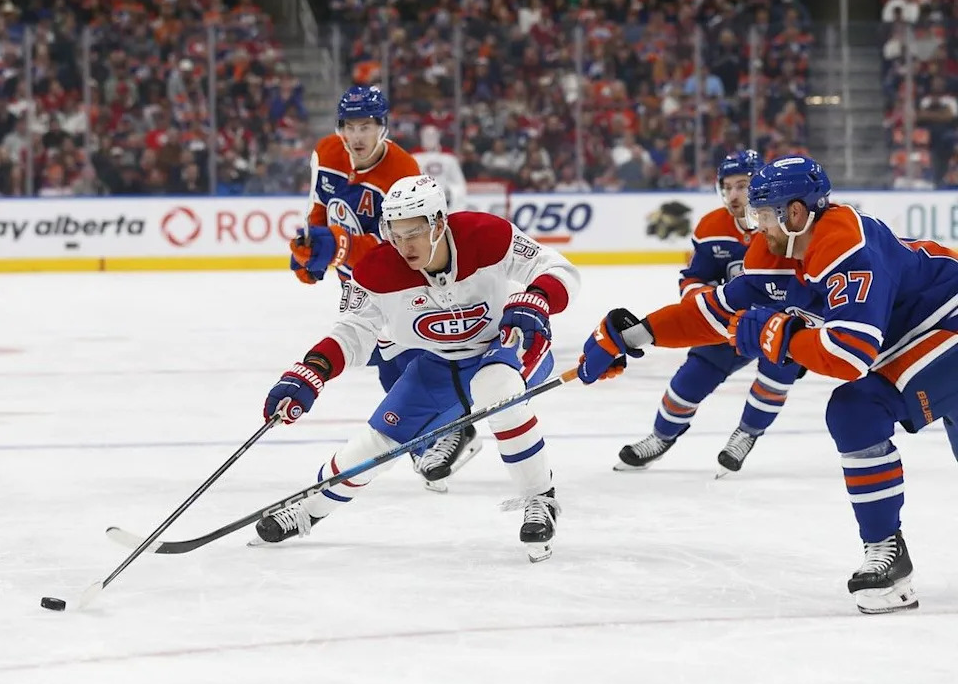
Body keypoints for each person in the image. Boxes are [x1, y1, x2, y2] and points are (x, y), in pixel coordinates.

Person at [578, 155, 958, 615]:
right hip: (918, 337)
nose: (755, 225)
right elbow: (713, 313)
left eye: (763, 214)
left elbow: (849, 354)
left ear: (795, 213)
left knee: (856, 410)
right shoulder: (774, 251)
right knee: (858, 409)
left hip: (946, 323)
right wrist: (632, 335)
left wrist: (781, 335)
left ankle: (886, 552)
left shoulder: (845, 242)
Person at [255, 175, 580, 562]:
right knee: (378, 441)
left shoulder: (485, 234)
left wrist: (536, 299)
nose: (403, 245)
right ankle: (309, 509)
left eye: (413, 233)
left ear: (439, 224)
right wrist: (312, 371)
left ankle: (540, 499)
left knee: (497, 389)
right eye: (394, 233)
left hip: (508, 344)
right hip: (440, 362)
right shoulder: (376, 270)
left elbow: (559, 268)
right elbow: (352, 332)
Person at [290, 86, 481, 491]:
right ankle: (435, 434)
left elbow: (400, 247)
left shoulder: (402, 170)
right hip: (353, 277)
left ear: (384, 127)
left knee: (404, 353)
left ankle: (449, 429)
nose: (357, 136)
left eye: (367, 126)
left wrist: (338, 247)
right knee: (383, 357)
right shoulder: (326, 153)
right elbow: (318, 207)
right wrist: (310, 249)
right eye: (349, 126)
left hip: (398, 278)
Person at [616, 150, 803, 477]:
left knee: (777, 373)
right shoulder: (712, 226)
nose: (734, 195)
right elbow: (695, 277)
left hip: (780, 319)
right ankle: (662, 437)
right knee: (691, 377)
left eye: (742, 186)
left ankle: (747, 433)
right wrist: (700, 300)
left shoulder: (784, 222)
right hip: (729, 321)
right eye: (727, 187)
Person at [411, 124, 468, 212]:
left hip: (445, 202)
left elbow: (458, 182)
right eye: (427, 135)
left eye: (433, 135)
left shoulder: (449, 159)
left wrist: (454, 200)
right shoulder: (414, 158)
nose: (430, 138)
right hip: (421, 203)